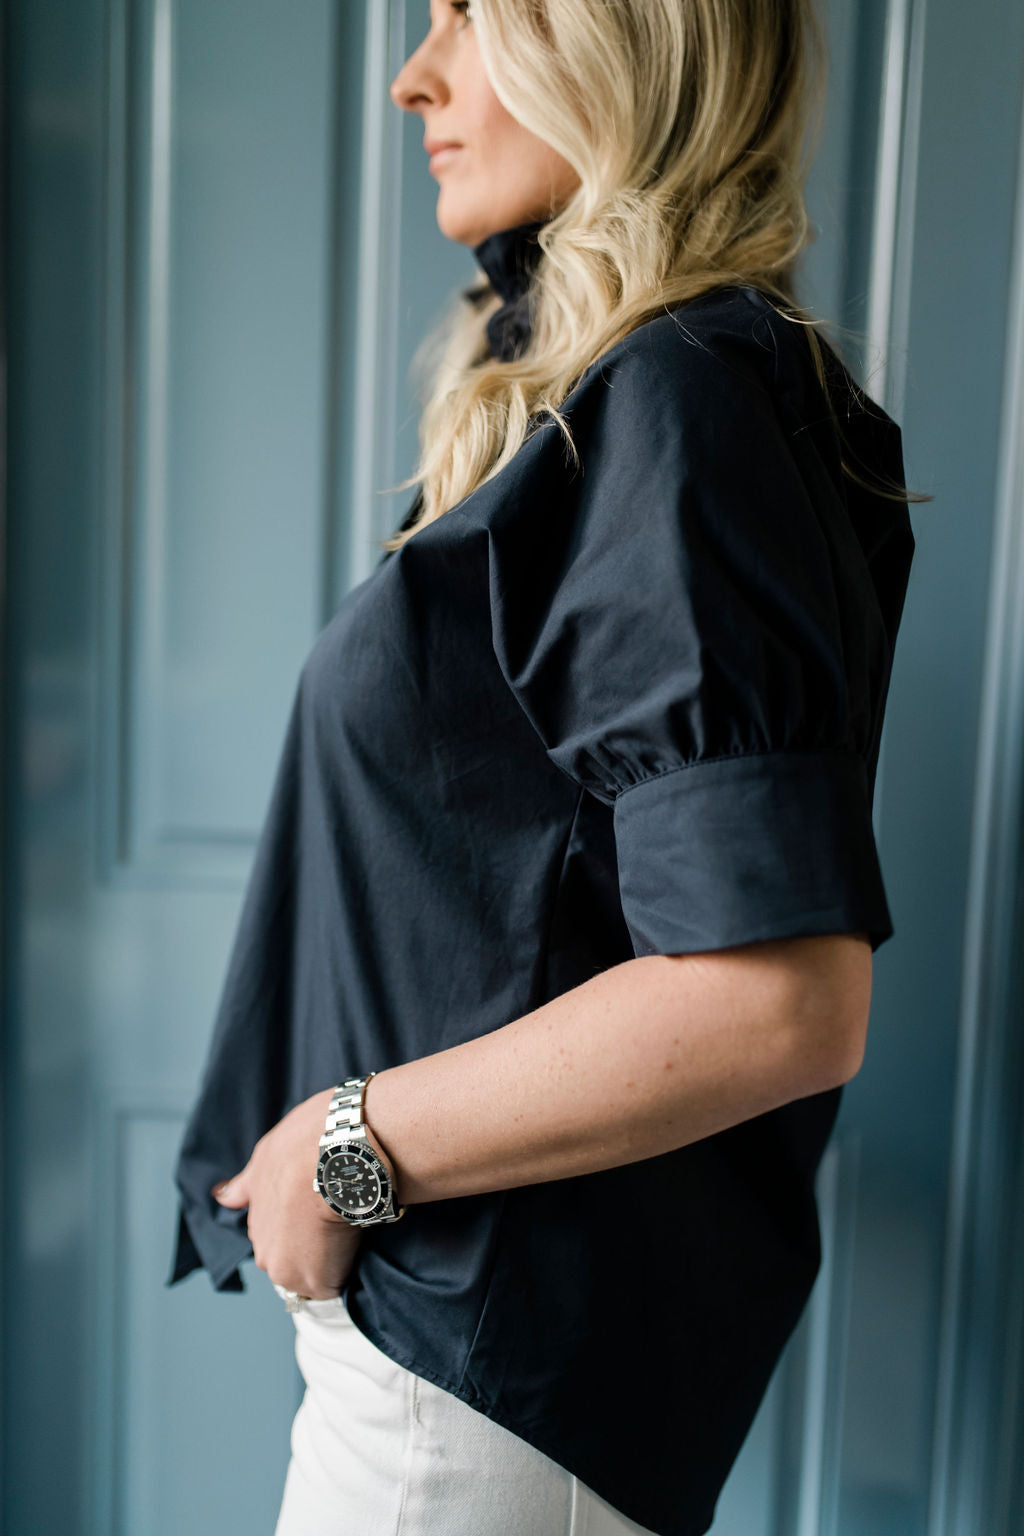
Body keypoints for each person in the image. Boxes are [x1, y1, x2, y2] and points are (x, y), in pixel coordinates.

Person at [169, 2, 916, 1533]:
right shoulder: (640, 398)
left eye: (468, 13)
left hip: (470, 1391)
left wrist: (343, 1148)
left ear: (624, 34)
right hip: (457, 1359)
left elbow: (777, 998)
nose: (414, 75)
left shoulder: (685, 395)